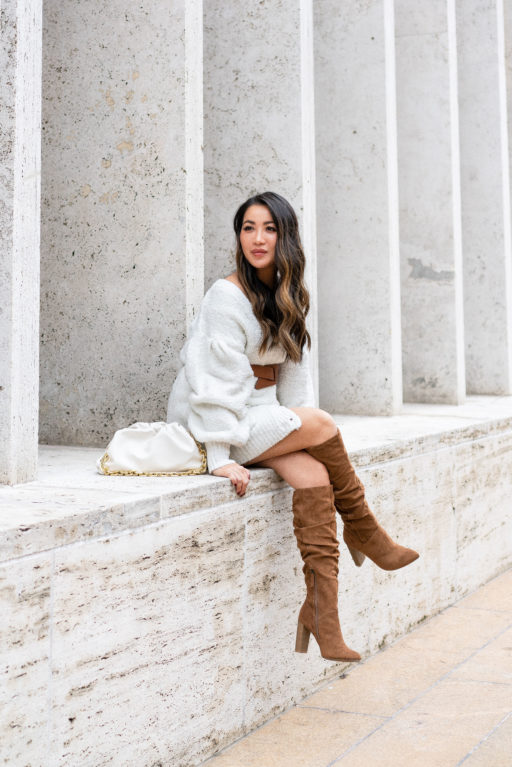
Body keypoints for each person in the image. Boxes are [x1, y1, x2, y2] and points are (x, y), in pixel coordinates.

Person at [167, 191, 419, 663]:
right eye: (248, 228)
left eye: (269, 228)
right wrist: (217, 457)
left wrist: (298, 431)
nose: (257, 239)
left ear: (286, 237)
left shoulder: (291, 296)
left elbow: (296, 390)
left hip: (259, 417)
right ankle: (364, 530)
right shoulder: (225, 296)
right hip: (213, 422)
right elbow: (214, 382)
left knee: (315, 474)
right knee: (321, 422)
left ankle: (322, 613)